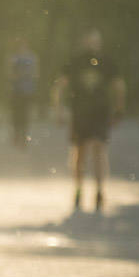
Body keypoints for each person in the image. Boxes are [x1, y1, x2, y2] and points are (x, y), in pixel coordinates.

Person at [52, 29, 125, 214]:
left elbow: (119, 86)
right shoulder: (75, 61)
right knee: (80, 151)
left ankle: (100, 190)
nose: (93, 45)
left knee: (99, 148)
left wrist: (119, 110)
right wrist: (58, 109)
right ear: (84, 42)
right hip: (80, 113)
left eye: (96, 41)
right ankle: (78, 189)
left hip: (100, 113)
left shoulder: (107, 62)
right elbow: (60, 86)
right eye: (90, 41)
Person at [7, 36, 38, 148]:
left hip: (27, 90)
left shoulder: (32, 57)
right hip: (16, 90)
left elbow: (35, 74)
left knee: (25, 114)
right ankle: (16, 135)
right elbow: (10, 73)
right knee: (16, 114)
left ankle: (24, 137)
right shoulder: (14, 57)